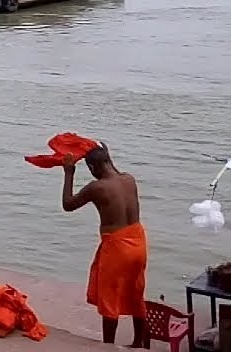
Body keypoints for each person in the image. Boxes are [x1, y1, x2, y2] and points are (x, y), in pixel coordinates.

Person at [60, 146, 147, 348]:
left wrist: (69, 173)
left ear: (91, 167)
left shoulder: (96, 188)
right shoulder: (129, 179)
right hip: (139, 242)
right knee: (136, 291)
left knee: (110, 296)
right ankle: (138, 343)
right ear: (109, 160)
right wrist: (104, 155)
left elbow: (68, 204)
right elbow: (111, 169)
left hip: (117, 245)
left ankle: (109, 346)